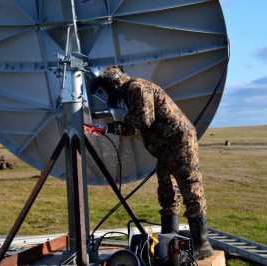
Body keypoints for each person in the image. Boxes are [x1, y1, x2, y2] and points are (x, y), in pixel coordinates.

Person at [88, 65, 214, 259]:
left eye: (105, 89)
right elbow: (132, 128)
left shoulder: (137, 87)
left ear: (113, 84)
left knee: (190, 188)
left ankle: (201, 245)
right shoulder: (128, 94)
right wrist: (107, 128)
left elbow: (143, 120)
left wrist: (120, 118)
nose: (106, 95)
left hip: (179, 142)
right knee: (167, 191)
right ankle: (170, 241)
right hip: (165, 147)